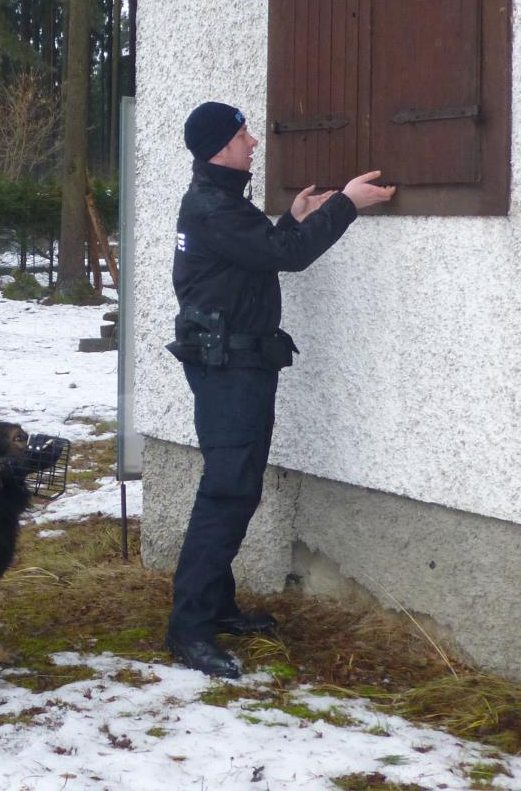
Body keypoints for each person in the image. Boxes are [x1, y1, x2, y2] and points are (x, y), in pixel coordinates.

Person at [165, 101, 395, 679]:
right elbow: (284, 258)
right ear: (220, 146)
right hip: (229, 369)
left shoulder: (218, 204)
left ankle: (213, 607)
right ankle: (189, 627)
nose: (252, 142)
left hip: (233, 365)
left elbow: (255, 254)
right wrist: (345, 204)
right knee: (228, 492)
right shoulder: (215, 207)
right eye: (243, 134)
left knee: (231, 485)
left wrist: (292, 217)